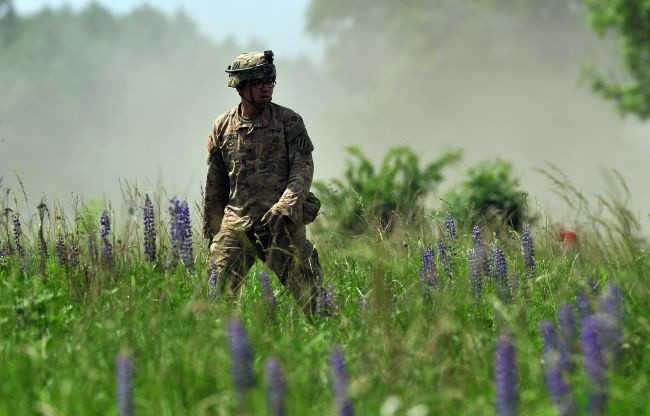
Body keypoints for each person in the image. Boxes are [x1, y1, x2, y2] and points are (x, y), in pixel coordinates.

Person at [203, 50, 322, 315]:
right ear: (240, 86)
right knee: (217, 301)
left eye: (270, 82)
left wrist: (286, 205)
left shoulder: (289, 121)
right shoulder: (222, 127)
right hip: (236, 225)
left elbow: (303, 168)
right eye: (259, 83)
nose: (266, 89)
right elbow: (216, 185)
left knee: (314, 301)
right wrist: (212, 231)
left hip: (280, 223)